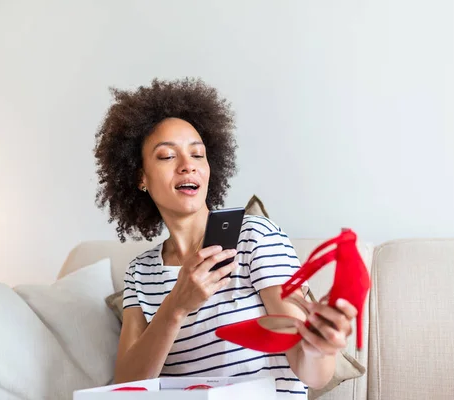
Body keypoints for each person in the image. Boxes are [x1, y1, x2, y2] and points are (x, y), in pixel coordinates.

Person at [93, 78, 358, 397]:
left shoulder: (253, 237)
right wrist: (176, 306)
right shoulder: (141, 272)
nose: (187, 166)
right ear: (140, 177)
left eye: (198, 155)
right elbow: (127, 388)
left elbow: (310, 369)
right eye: (166, 156)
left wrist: (320, 347)